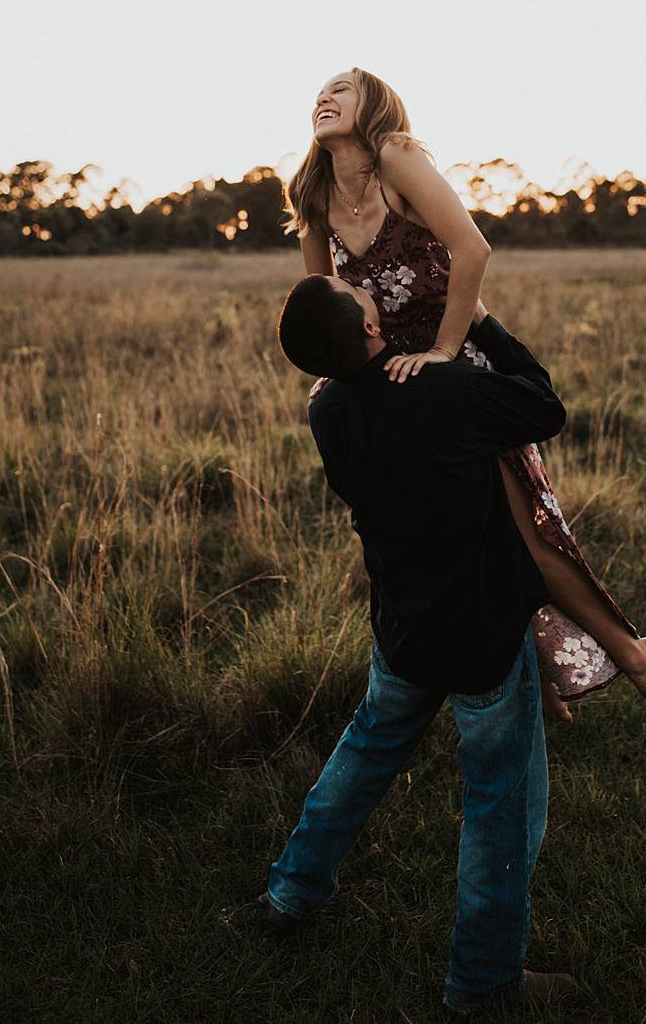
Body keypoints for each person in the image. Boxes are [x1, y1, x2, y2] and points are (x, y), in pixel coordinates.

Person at [285, 66, 646, 723]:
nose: (324, 97)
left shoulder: (395, 158)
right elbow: (323, 303)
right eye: (319, 92)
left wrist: (443, 353)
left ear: (375, 104)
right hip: (388, 383)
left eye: (341, 89)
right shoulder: (310, 189)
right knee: (454, 541)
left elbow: (472, 250)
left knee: (519, 530)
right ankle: (532, 679)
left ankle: (635, 655)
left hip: (450, 372)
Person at [262, 274, 582, 1013]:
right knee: (501, 803)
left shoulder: (326, 410)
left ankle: (287, 896)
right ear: (371, 330)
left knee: (363, 755)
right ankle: (483, 984)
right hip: (481, 636)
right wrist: (482, 322)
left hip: (403, 629)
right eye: (358, 297)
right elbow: (544, 406)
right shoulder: (445, 393)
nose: (366, 292)